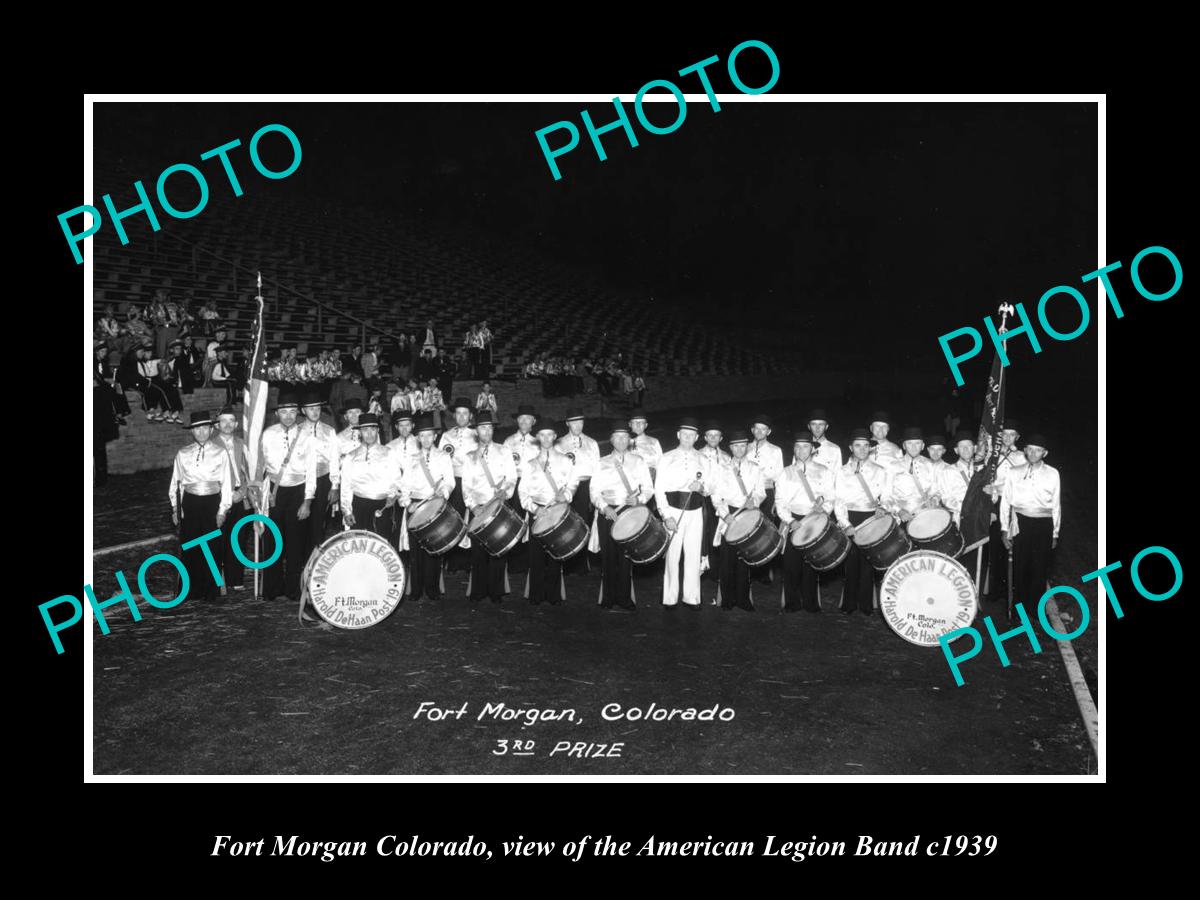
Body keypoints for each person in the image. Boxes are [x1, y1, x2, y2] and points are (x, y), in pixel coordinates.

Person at [259, 389, 318, 602]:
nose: (289, 416)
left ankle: (293, 588)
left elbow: (311, 471)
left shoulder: (307, 436)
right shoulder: (267, 434)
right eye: (284, 412)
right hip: (275, 491)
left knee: (295, 543)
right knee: (273, 540)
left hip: (298, 491)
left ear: (297, 414)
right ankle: (271, 588)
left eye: (293, 412)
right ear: (277, 413)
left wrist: (307, 502)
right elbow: (261, 467)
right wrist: (263, 498)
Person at [168, 412, 234, 604]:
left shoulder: (220, 453)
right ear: (192, 431)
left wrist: (222, 510)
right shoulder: (183, 453)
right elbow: (176, 484)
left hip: (212, 502)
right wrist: (175, 508)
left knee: (212, 547)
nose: (202, 432)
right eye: (197, 428)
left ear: (211, 429)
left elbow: (227, 484)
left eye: (205, 428)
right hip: (190, 502)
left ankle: (210, 591)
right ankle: (190, 590)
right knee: (190, 546)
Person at [590, 419, 653, 611]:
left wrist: (640, 499)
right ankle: (608, 597)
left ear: (629, 439)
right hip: (608, 513)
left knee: (626, 555)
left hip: (630, 512)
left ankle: (625, 597)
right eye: (617, 437)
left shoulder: (638, 461)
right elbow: (594, 491)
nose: (621, 441)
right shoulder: (601, 463)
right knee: (608, 556)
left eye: (625, 437)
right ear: (611, 439)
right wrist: (604, 508)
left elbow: (649, 488)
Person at [655, 417, 714, 609]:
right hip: (673, 510)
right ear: (678, 435)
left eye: (691, 435)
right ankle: (670, 598)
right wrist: (666, 516)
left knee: (693, 553)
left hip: (696, 511)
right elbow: (659, 489)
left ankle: (692, 597)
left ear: (697, 437)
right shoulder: (666, 457)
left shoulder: (703, 459)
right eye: (684, 435)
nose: (687, 438)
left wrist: (702, 487)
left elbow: (711, 487)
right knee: (672, 555)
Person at [519, 418, 579, 605]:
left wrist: (567, 495)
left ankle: (553, 595)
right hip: (538, 512)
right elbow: (523, 491)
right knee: (536, 555)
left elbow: (573, 481)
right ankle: (536, 594)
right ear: (537, 437)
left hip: (557, 512)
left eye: (549, 434)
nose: (546, 438)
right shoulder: (530, 463)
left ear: (555, 436)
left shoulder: (565, 460)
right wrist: (535, 509)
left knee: (555, 553)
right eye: (542, 435)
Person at [1001, 433, 1061, 617]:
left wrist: (1055, 533)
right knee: (1021, 566)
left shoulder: (1052, 473)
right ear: (1025, 451)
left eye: (1038, 450)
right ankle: (1019, 611)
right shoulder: (1014, 472)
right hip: (1021, 523)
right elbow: (1006, 501)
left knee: (1039, 568)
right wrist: (1005, 529)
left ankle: (1036, 611)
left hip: (1044, 524)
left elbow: (1056, 505)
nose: (1034, 453)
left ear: (1045, 453)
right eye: (1030, 449)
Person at [835, 428, 894, 615]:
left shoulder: (880, 471)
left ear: (870, 448)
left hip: (872, 518)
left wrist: (882, 507)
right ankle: (849, 603)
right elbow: (839, 501)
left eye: (866, 445)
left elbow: (887, 496)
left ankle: (866, 604)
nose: (862, 449)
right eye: (858, 445)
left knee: (869, 562)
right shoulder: (842, 472)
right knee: (851, 561)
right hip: (851, 518)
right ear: (851, 447)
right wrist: (846, 524)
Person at [775, 431, 836, 613]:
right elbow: (780, 501)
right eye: (798, 447)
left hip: (815, 521)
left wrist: (823, 510)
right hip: (794, 520)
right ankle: (792, 603)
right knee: (791, 564)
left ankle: (810, 602)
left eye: (805, 446)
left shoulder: (823, 471)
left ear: (813, 450)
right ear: (794, 449)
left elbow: (831, 497)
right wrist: (790, 520)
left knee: (811, 562)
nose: (801, 450)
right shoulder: (786, 472)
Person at [462, 411, 518, 603]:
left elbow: (512, 477)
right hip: (479, 508)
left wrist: (506, 492)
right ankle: (478, 590)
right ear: (476, 431)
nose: (486, 431)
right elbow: (466, 486)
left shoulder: (504, 451)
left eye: (489, 427)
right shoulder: (469, 456)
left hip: (499, 505)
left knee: (498, 548)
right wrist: (473, 506)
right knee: (478, 552)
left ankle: (496, 591)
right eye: (482, 427)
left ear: (493, 429)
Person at [399, 413, 455, 601]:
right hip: (416, 506)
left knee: (433, 548)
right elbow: (404, 485)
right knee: (415, 551)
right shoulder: (411, 458)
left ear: (435, 436)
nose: (425, 439)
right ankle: (416, 589)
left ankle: (432, 588)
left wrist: (443, 493)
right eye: (422, 436)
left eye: (429, 435)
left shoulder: (444, 456)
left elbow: (449, 481)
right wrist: (408, 504)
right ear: (417, 438)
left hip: (435, 506)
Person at [713, 429, 766, 612]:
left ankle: (743, 599)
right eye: (735, 446)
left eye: (742, 446)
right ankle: (727, 599)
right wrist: (724, 514)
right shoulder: (722, 469)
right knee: (727, 558)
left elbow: (761, 492)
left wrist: (755, 500)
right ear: (730, 448)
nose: (739, 449)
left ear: (747, 447)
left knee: (744, 557)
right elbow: (716, 495)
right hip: (729, 515)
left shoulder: (755, 468)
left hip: (747, 514)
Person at [340, 413, 403, 539]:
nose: (369, 434)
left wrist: (392, 496)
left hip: (382, 505)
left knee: (381, 544)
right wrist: (347, 511)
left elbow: (396, 479)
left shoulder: (389, 453)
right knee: (359, 545)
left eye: (372, 429)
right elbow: (346, 485)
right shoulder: (351, 456)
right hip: (359, 505)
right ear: (360, 433)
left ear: (377, 430)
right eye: (365, 430)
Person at [939, 430, 988, 588]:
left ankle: (975, 594)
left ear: (975, 448)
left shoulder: (983, 471)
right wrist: (968, 508)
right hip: (959, 519)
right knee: (959, 559)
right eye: (962, 447)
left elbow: (990, 497)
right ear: (956, 450)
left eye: (969, 446)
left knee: (978, 560)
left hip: (979, 521)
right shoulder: (948, 471)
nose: (966, 450)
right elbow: (946, 498)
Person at [985, 420, 1027, 603]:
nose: (1008, 438)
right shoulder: (992, 455)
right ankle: (994, 590)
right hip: (995, 502)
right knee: (994, 545)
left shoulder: (1021, 457)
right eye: (1005, 434)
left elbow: (1020, 482)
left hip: (1013, 504)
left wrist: (997, 486)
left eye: (1012, 434)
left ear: (1017, 437)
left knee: (1012, 544)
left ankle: (1014, 590)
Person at [556, 408, 601, 575]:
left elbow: (597, 469)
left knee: (584, 523)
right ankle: (567, 561)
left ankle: (582, 562)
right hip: (567, 487)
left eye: (580, 422)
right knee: (567, 524)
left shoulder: (592, 443)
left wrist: (594, 491)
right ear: (567, 423)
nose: (577, 426)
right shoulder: (559, 443)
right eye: (574, 422)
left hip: (586, 486)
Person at [299, 389, 342, 556]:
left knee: (319, 521)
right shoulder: (297, 431)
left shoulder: (329, 431)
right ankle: (301, 558)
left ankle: (315, 557)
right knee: (301, 520)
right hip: (302, 481)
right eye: (311, 409)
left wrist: (334, 486)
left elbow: (334, 460)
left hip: (323, 479)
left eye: (317, 408)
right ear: (303, 411)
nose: (315, 412)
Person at [213, 406, 251, 593]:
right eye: (223, 421)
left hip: (241, 496)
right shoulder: (212, 446)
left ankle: (236, 578)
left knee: (239, 538)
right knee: (220, 538)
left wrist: (243, 492)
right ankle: (219, 580)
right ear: (217, 424)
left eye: (231, 421)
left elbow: (250, 472)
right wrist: (227, 496)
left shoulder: (242, 444)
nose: (227, 424)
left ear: (236, 424)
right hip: (221, 498)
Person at [439, 398, 478, 571]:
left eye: (465, 413)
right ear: (454, 415)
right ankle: (453, 560)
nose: (462, 417)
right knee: (454, 519)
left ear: (470, 416)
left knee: (472, 518)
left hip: (472, 482)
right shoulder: (447, 435)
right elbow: (440, 459)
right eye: (458, 413)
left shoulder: (477, 434)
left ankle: (470, 560)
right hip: (453, 481)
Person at [503, 403, 541, 575]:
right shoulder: (509, 441)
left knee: (533, 520)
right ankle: (514, 561)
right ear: (517, 421)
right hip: (514, 483)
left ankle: (531, 560)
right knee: (514, 521)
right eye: (521, 418)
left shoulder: (539, 442)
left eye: (528, 419)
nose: (525, 421)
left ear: (533, 421)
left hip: (533, 485)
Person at [699, 421, 730, 578]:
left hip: (721, 500)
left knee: (719, 531)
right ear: (705, 437)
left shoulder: (726, 457)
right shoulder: (698, 455)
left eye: (716, 435)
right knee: (704, 531)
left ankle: (717, 569)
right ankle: (703, 565)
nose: (713, 438)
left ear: (721, 438)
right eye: (709, 435)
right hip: (704, 498)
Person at [891, 427, 939, 523]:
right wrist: (898, 510)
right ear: (904, 446)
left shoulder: (930, 465)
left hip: (925, 514)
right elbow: (886, 495)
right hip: (901, 518)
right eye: (909, 443)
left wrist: (934, 500)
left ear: (923, 446)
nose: (913, 447)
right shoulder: (893, 466)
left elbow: (936, 491)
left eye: (917, 443)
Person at [628, 409, 662, 480]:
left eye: (641, 422)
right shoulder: (626, 442)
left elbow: (660, 463)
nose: (638, 425)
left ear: (646, 425)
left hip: (652, 479)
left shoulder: (654, 441)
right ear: (630, 424)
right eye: (635, 422)